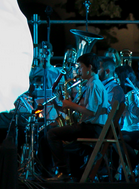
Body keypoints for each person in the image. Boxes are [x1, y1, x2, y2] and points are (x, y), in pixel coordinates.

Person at [44, 52, 109, 182]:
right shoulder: (91, 84)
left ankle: (63, 172)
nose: (79, 70)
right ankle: (74, 172)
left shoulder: (94, 85)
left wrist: (71, 105)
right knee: (63, 141)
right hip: (91, 126)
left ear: (90, 67)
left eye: (80, 67)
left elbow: (91, 112)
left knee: (52, 134)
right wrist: (64, 104)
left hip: (94, 128)